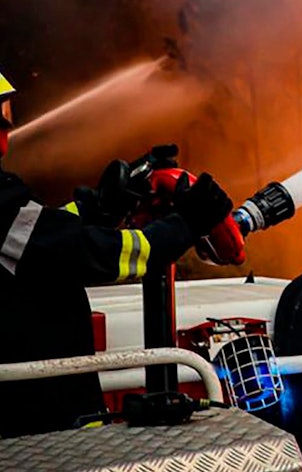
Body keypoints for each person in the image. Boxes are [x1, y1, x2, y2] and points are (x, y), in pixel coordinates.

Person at [0, 69, 236, 437]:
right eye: (4, 120)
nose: (9, 133)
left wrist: (100, 207)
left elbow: (43, 237)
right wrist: (185, 224)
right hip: (34, 421)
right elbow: (97, 256)